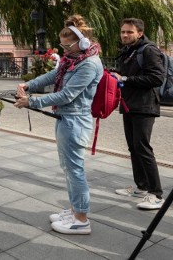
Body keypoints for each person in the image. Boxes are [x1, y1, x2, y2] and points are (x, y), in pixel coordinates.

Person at [14, 15, 103, 235]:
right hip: (65, 118)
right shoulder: (73, 58)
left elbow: (67, 94)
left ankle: (81, 218)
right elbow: (55, 74)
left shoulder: (89, 63)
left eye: (67, 46)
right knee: (68, 167)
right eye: (62, 46)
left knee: (75, 170)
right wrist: (30, 84)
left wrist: (32, 102)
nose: (63, 50)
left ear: (81, 43)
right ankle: (74, 210)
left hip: (75, 120)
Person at [112, 18, 165, 210]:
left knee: (143, 148)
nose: (125, 35)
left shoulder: (148, 50)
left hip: (145, 106)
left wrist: (125, 78)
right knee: (133, 148)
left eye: (129, 32)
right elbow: (124, 75)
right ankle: (141, 187)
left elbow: (157, 77)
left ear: (140, 33)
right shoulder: (130, 51)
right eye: (123, 32)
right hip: (130, 105)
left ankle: (156, 193)